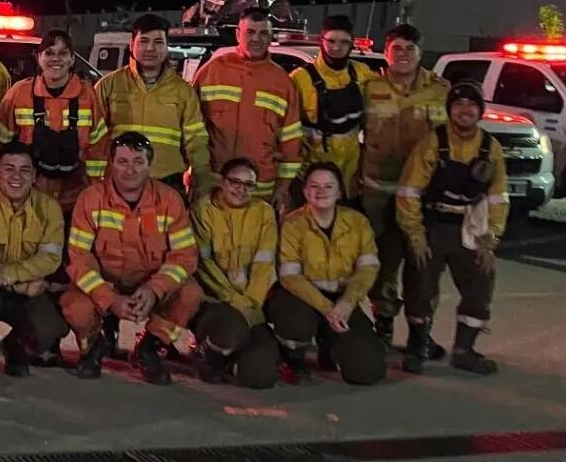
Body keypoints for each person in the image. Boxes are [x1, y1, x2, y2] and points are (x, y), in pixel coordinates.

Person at [61, 131, 202, 383]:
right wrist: (109, 298)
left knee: (190, 294)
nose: (130, 170)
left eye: (138, 162)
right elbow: (78, 258)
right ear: (111, 164)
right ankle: (92, 346)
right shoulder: (91, 199)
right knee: (75, 306)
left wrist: (154, 289)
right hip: (106, 283)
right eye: (123, 162)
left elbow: (185, 256)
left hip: (149, 283)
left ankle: (150, 346)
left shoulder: (170, 200)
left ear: (150, 166)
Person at [397, 83, 508, 375]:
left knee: (480, 285)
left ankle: (464, 350)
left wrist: (490, 238)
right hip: (434, 225)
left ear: (480, 111)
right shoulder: (432, 142)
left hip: (471, 228)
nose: (465, 110)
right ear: (449, 110)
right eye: (458, 104)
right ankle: (418, 346)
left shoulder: (491, 147)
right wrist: (416, 236)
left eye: (472, 105)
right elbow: (409, 191)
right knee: (420, 287)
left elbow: (498, 197)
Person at [360, 23, 450, 349]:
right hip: (378, 196)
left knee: (422, 268)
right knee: (381, 267)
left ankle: (419, 333)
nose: (403, 55)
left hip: (422, 198)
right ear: (386, 53)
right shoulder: (369, 88)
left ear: (420, 53)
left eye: (410, 49)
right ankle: (382, 328)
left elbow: (450, 145)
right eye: (396, 48)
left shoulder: (441, 90)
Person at [0, 141, 69, 391]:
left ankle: (16, 351)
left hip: (22, 285)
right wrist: (17, 283)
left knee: (53, 327)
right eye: (8, 169)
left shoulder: (49, 208)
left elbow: (50, 258)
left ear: (34, 176)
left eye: (24, 170)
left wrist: (8, 275)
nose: (16, 176)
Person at [267, 163, 386, 385]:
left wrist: (348, 303)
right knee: (294, 322)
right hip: (302, 297)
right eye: (314, 186)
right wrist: (328, 309)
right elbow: (290, 277)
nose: (321, 192)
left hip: (343, 298)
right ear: (304, 192)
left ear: (340, 191)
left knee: (368, 371)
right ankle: (293, 359)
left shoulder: (358, 222)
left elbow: (368, 268)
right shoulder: (292, 224)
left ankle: (330, 346)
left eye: (328, 186)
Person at [191, 9, 302, 210]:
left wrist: (283, 187)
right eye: (250, 32)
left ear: (271, 36)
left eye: (263, 33)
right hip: (215, 184)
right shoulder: (212, 71)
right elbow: (189, 128)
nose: (256, 39)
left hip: (260, 189)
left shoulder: (283, 83)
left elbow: (291, 142)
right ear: (237, 34)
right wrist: (197, 174)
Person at [0, 29, 109, 212]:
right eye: (49, 53)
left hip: (75, 200)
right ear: (39, 58)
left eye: (63, 53)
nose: (56, 59)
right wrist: (3, 185)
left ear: (72, 59)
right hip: (28, 200)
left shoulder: (88, 95)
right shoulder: (20, 93)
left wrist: (94, 194)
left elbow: (99, 150)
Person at [188, 158, 281, 388]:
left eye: (248, 185)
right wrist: (235, 300)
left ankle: (231, 360)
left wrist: (251, 304)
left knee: (261, 375)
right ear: (222, 182)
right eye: (235, 182)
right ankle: (207, 353)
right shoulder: (204, 209)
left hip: (250, 306)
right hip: (215, 302)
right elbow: (204, 264)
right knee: (230, 330)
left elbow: (264, 264)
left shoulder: (264, 213)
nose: (241, 189)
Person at [95, 12, 209, 193]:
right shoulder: (109, 85)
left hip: (167, 182)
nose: (150, 48)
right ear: (132, 45)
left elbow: (196, 139)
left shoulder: (183, 91)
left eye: (158, 42)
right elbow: (94, 137)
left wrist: (202, 179)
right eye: (144, 41)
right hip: (118, 182)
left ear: (167, 47)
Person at [288, 14, 375, 198]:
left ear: (352, 43)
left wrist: (428, 79)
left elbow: (394, 87)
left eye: (344, 42)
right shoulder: (300, 78)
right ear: (322, 40)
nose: (337, 47)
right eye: (331, 41)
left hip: (349, 177)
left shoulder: (362, 73)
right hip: (312, 177)